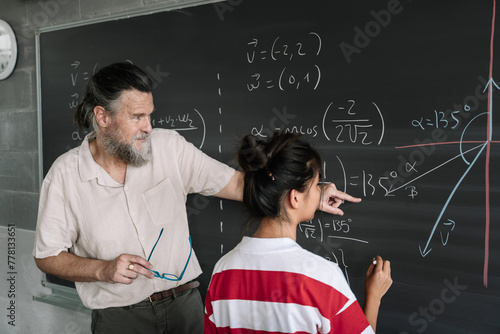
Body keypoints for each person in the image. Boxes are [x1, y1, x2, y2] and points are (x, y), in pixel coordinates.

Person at [33, 62, 361, 334]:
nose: (149, 127)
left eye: (150, 114)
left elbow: (237, 184)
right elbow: (47, 256)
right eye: (137, 117)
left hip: (186, 308)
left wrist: (309, 193)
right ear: (103, 117)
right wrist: (102, 270)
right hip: (119, 318)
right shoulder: (64, 176)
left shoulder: (169, 147)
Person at [204, 132, 393, 334]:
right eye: (316, 186)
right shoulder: (322, 278)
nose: (320, 191)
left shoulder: (222, 271)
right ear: (295, 198)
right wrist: (373, 296)